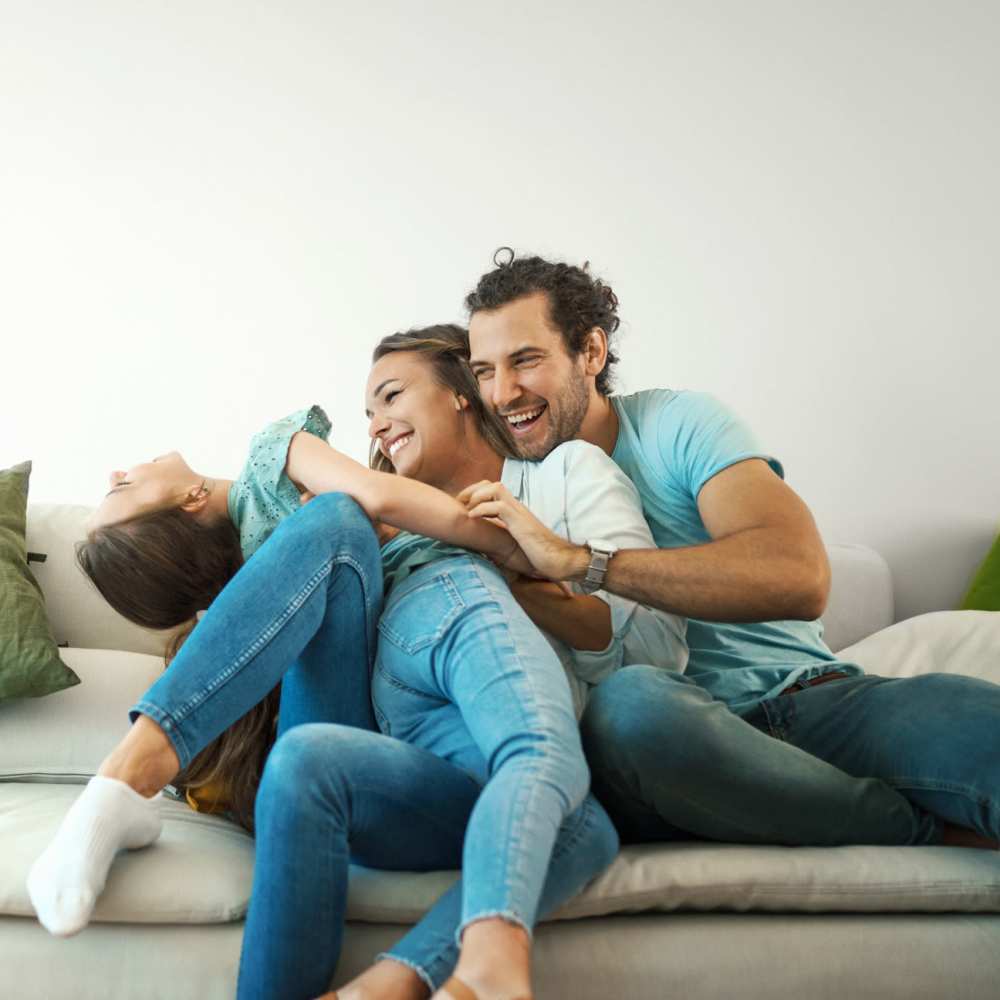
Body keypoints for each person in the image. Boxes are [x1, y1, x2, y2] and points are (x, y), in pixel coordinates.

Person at [29, 325, 685, 1000]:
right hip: (370, 705)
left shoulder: (292, 532)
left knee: (584, 823)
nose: (115, 472)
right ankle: (128, 772)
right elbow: (374, 499)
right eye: (122, 491)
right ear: (190, 503)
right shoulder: (285, 482)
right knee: (340, 518)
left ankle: (387, 985)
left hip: (383, 753)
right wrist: (511, 543)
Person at [458, 249, 1000, 851]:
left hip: (813, 699)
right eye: (483, 371)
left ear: (590, 352)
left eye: (525, 360)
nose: (503, 392)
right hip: (670, 746)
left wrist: (583, 563)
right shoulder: (494, 491)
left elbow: (799, 576)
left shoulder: (677, 426)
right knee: (631, 708)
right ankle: (914, 828)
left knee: (977, 725)